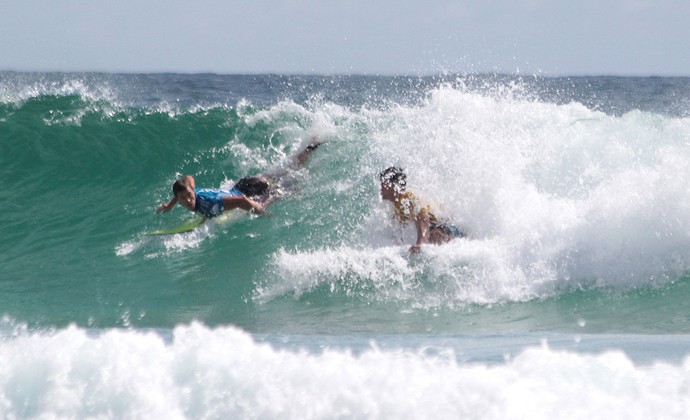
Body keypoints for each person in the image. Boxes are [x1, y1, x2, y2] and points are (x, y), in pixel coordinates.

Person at [157, 140, 321, 219]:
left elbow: (241, 201)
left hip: (251, 190)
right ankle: (309, 147)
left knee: (286, 186)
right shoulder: (190, 190)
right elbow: (188, 178)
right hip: (243, 184)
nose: (188, 200)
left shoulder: (210, 203)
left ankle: (311, 153)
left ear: (193, 192)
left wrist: (262, 212)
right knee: (284, 172)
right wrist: (170, 205)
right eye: (183, 199)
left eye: (189, 196)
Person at [379, 167, 463, 253]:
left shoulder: (409, 198)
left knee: (434, 236)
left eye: (383, 184)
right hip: (434, 227)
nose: (381, 188)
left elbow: (423, 218)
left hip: (449, 226)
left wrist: (420, 243)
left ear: (394, 186)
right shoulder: (394, 205)